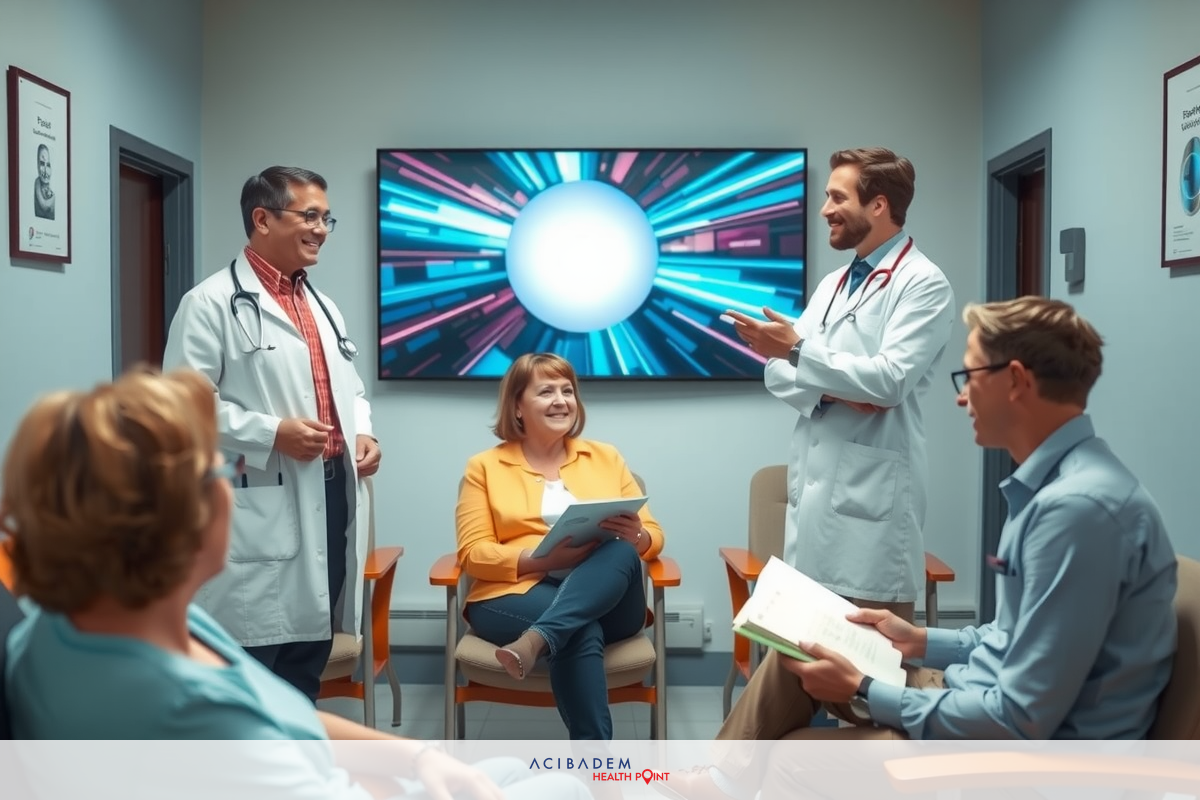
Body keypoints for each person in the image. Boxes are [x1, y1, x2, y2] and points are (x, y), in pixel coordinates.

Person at [659, 297, 1178, 800]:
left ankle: (725, 785)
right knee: (798, 649)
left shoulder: (1077, 511)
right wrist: (916, 640)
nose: (960, 397)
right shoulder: (1061, 486)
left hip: (1033, 760)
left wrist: (864, 688)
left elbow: (1020, 719)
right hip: (972, 694)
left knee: (790, 759)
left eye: (969, 377)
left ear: (1016, 381)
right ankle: (721, 784)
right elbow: (1013, 637)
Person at [0, 368, 589, 800]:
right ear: (191, 513)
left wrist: (418, 755)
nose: (232, 490)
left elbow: (285, 715)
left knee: (531, 775)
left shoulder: (66, 633)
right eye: (221, 473)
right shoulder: (193, 715)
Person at [162, 165, 381, 702]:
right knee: (255, 665)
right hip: (258, 499)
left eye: (327, 217)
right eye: (309, 215)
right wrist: (270, 433)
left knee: (308, 660)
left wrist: (363, 433)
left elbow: (349, 389)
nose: (322, 228)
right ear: (262, 219)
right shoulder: (210, 303)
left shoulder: (321, 306)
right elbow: (178, 407)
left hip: (331, 491)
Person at [725, 146, 955, 625]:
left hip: (871, 530)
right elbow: (776, 372)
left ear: (878, 205)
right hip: (812, 518)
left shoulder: (923, 284)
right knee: (802, 674)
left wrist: (797, 353)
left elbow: (889, 381)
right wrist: (832, 386)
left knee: (871, 687)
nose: (825, 209)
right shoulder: (833, 284)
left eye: (837, 197)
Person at [456, 352, 665, 740]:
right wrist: (540, 561)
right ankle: (600, 774)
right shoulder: (483, 467)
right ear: (517, 406)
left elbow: (652, 535)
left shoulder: (606, 457)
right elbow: (472, 553)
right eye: (546, 391)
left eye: (567, 391)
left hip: (612, 603)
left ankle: (535, 640)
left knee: (621, 551)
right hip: (515, 594)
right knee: (577, 630)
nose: (561, 400)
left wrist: (638, 536)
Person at [33, 144, 54, 220]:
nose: (45, 171)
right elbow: (45, 206)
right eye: (42, 164)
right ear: (37, 165)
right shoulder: (37, 182)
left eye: (48, 165)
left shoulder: (50, 187)